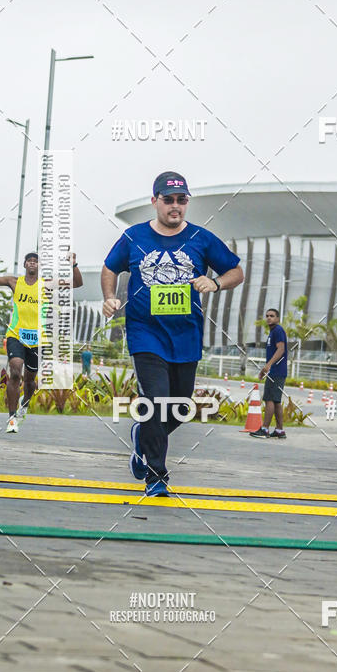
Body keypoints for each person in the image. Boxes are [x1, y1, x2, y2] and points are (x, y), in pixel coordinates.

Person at [102, 171, 243, 497]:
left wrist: (216, 282)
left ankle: (142, 437)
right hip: (145, 333)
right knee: (154, 400)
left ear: (187, 202)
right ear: (155, 202)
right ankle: (156, 475)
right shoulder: (134, 236)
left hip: (186, 336)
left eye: (181, 200)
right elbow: (110, 267)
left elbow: (236, 271)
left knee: (180, 406)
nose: (175, 206)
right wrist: (109, 297)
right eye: (168, 199)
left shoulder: (202, 239)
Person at [0, 243, 83, 432]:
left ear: (40, 266)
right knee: (15, 372)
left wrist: (73, 265)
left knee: (30, 380)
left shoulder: (47, 285)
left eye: (36, 261)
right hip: (16, 334)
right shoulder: (14, 282)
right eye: (29, 261)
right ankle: (11, 419)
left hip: (38, 339)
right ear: (25, 265)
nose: (32, 263)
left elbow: (77, 283)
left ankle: (24, 404)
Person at [251, 308, 288, 440]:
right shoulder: (273, 332)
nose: (269, 318)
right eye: (267, 316)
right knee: (276, 401)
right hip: (276, 371)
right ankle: (279, 430)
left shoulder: (277, 330)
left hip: (277, 371)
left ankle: (265, 429)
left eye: (272, 316)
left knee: (269, 399)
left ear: (277, 318)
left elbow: (281, 349)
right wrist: (264, 369)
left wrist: (269, 365)